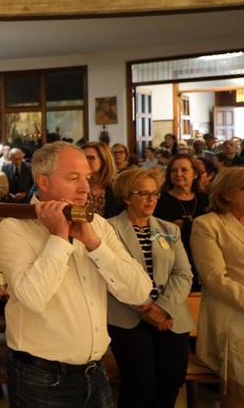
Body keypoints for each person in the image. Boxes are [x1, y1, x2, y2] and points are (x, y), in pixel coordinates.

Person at [0, 141, 151, 408]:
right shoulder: (15, 228)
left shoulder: (97, 225)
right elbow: (33, 298)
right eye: (73, 178)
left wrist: (94, 244)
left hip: (96, 371)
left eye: (87, 178)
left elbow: (139, 291)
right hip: (42, 377)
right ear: (43, 182)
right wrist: (59, 237)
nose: (85, 188)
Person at [107, 169, 194, 408]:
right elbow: (113, 276)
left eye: (155, 193)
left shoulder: (169, 229)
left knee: (170, 383)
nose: (151, 200)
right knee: (140, 386)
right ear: (126, 196)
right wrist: (148, 309)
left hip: (171, 316)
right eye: (143, 193)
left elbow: (183, 273)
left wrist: (163, 308)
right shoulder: (108, 229)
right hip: (129, 318)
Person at [190, 167, 244, 407]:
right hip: (231, 316)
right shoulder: (207, 225)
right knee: (237, 391)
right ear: (226, 194)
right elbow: (214, 278)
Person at [153, 153, 209, 291]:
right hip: (175, 259)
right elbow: (165, 232)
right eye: (173, 170)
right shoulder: (161, 200)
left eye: (184, 170)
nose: (178, 174)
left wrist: (185, 225)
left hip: (204, 255)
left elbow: (210, 228)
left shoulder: (205, 198)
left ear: (195, 174)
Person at [83, 141, 124, 218]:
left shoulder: (117, 187)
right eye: (83, 158)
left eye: (91, 158)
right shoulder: (78, 186)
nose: (85, 162)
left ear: (104, 159)